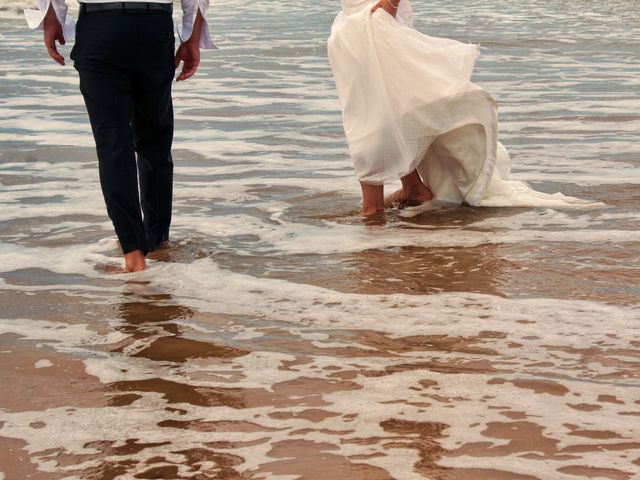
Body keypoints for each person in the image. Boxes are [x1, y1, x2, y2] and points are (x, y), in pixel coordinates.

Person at [328, 0, 593, 216]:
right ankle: (412, 188)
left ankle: (373, 208)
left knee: (370, 115)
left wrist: (390, 3)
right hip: (353, 18)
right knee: (387, 108)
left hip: (372, 17)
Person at [25, 0, 215, 272]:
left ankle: (134, 255)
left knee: (112, 144)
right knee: (155, 143)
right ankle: (159, 243)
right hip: (153, 27)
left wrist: (51, 16)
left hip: (99, 29)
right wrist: (191, 37)